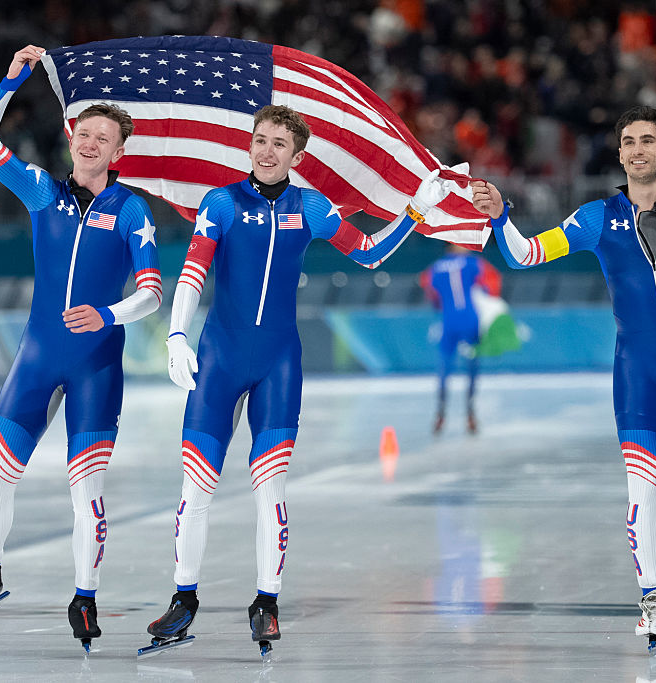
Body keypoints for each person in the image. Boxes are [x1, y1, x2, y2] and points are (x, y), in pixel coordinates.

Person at [148, 104, 454, 653]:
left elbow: (368, 254)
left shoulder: (311, 207)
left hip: (279, 365)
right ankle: (183, 600)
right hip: (219, 360)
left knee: (271, 489)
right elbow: (193, 271)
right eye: (260, 140)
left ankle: (266, 603)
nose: (266, 152)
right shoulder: (221, 202)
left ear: (297, 155)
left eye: (279, 144)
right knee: (197, 488)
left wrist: (416, 211)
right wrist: (176, 335)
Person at [472, 92, 656, 649]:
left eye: (648, 141)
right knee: (642, 494)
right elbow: (523, 255)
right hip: (637, 374)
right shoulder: (595, 219)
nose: (637, 150)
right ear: (619, 153)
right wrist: (500, 218)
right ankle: (653, 598)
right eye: (628, 142)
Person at [0, 45, 163, 648]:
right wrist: (10, 80)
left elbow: (151, 292)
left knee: (85, 490)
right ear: (71, 138)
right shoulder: (42, 191)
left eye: (102, 138)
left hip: (96, 366)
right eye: (83, 133)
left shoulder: (130, 210)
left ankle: (85, 596)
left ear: (119, 152)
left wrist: (108, 314)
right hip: (38, 359)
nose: (89, 143)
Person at [420, 242, 502, 435]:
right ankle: (470, 413)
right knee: (472, 367)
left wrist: (441, 304)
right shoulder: (473, 262)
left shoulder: (434, 268)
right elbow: (492, 283)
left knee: (444, 368)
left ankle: (440, 413)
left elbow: (431, 294)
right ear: (453, 244)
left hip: (448, 321)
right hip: (470, 320)